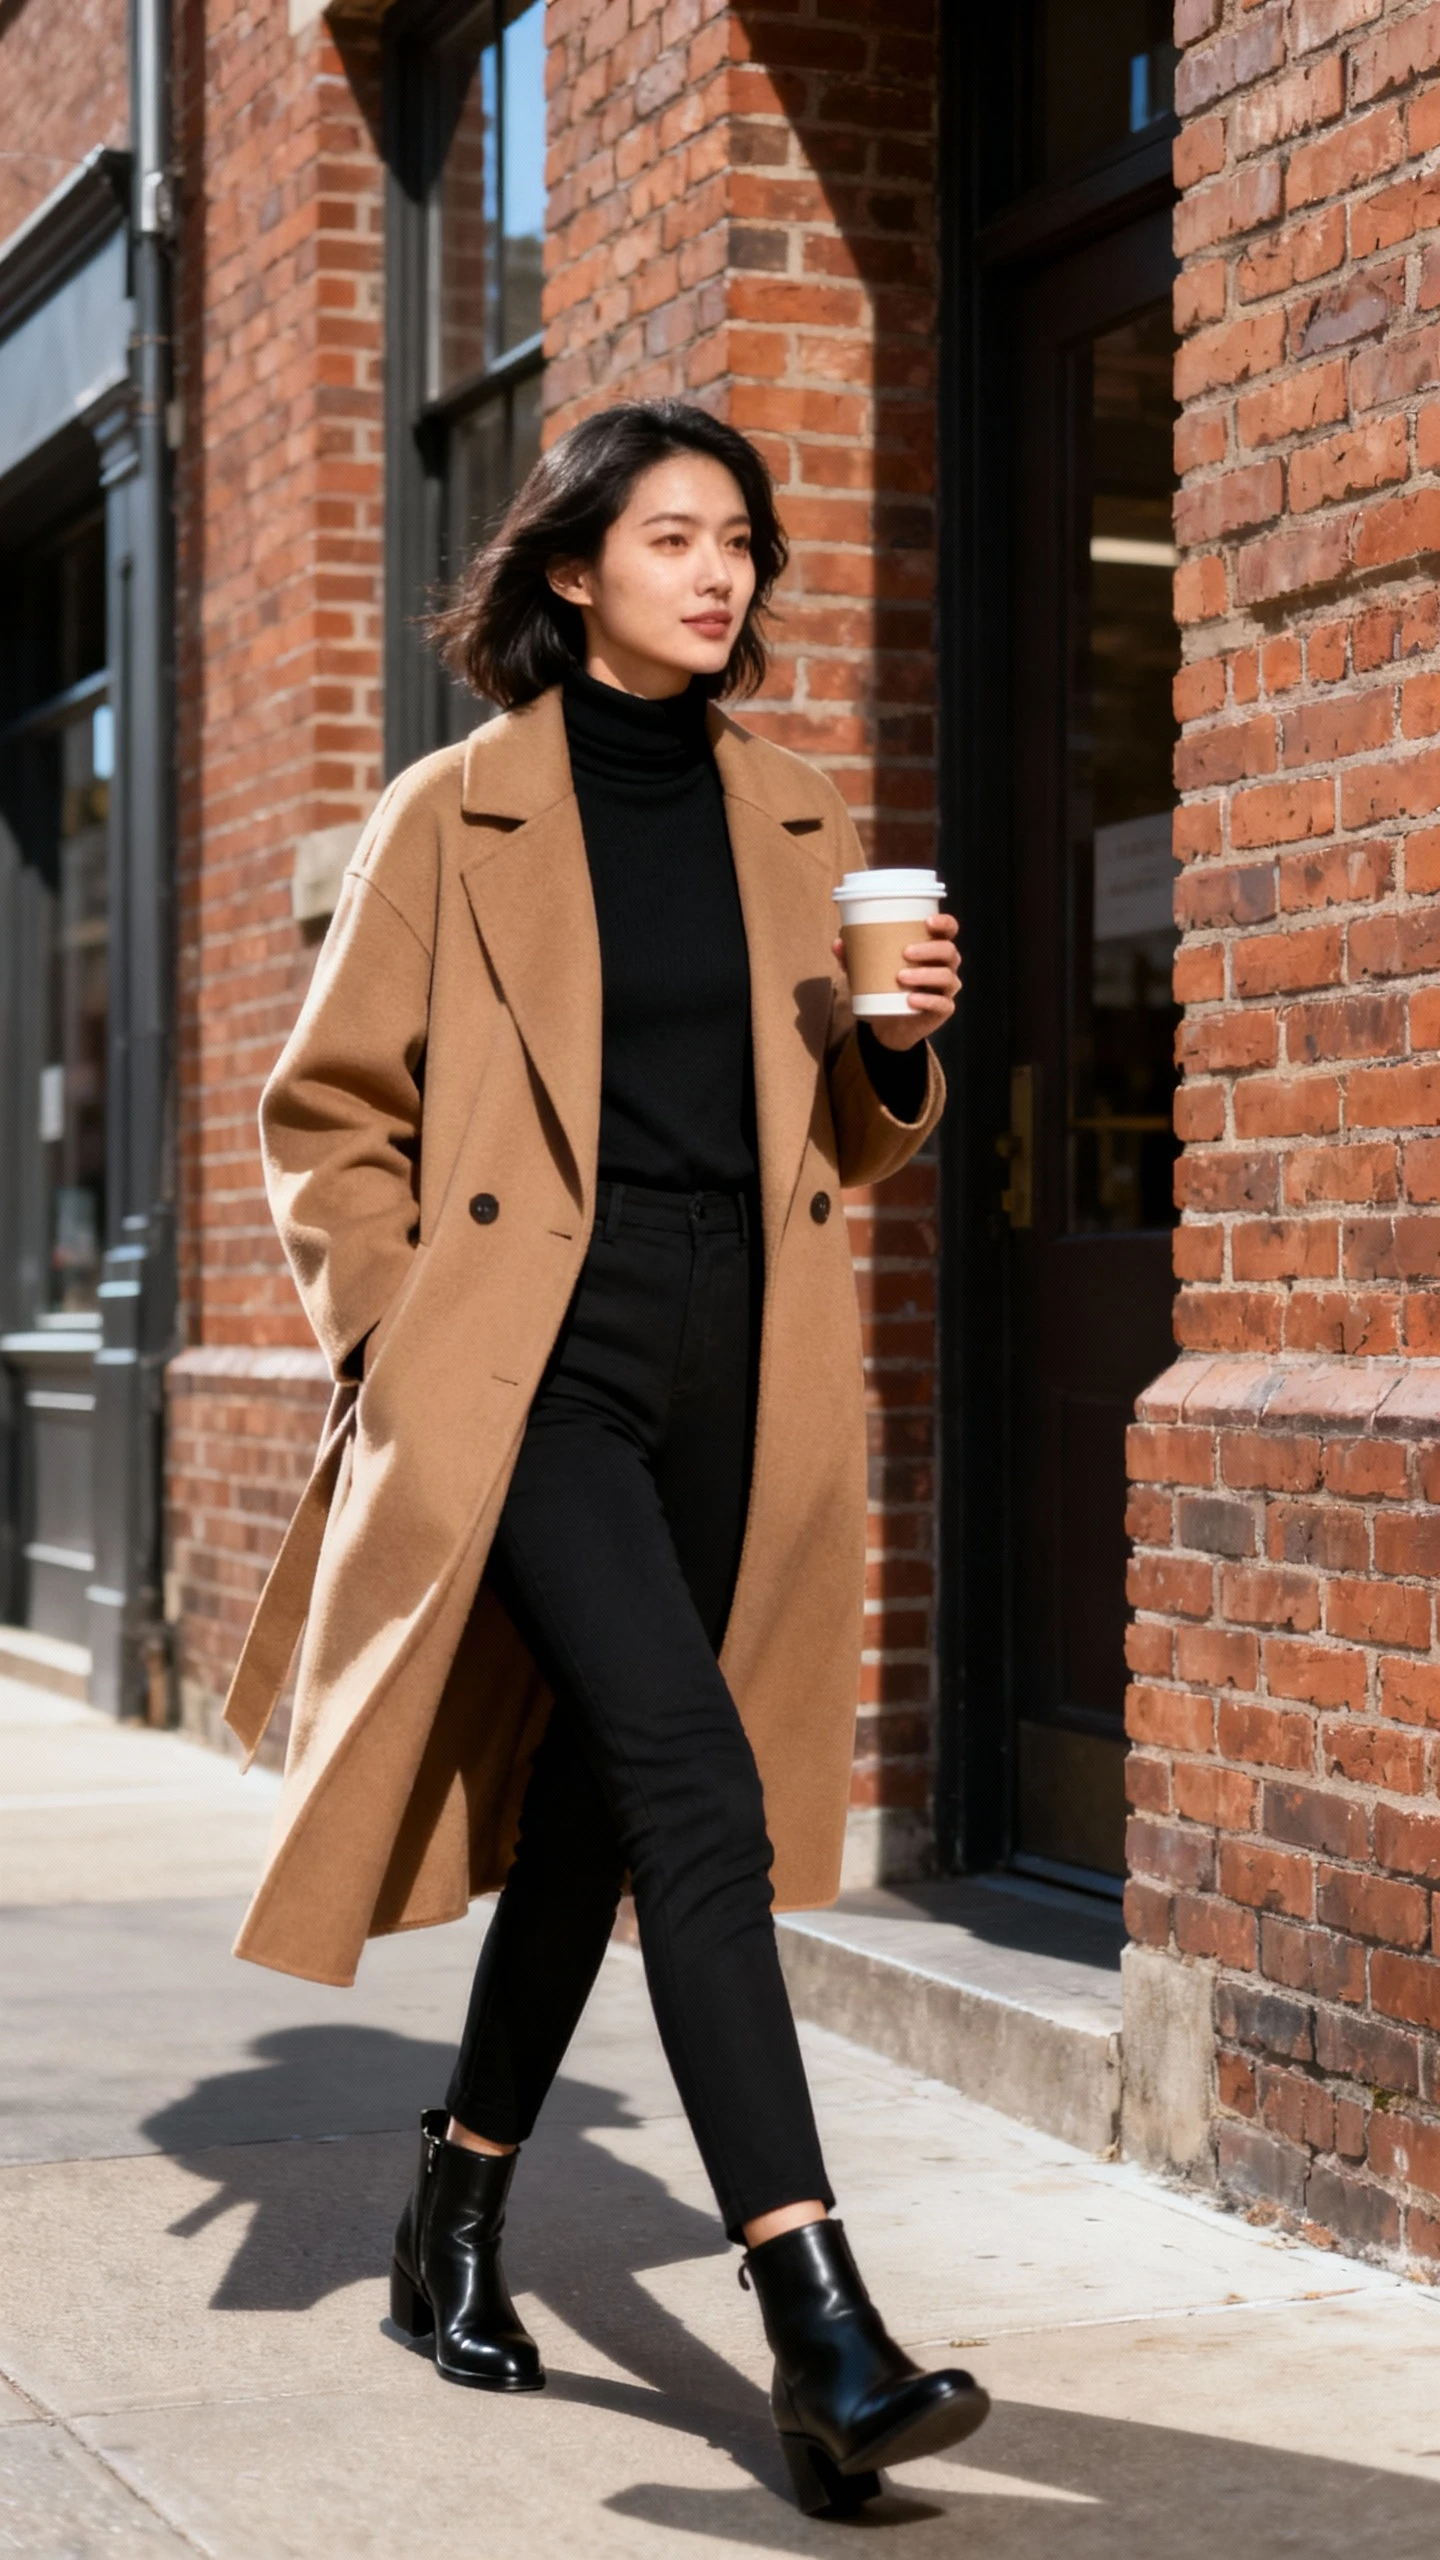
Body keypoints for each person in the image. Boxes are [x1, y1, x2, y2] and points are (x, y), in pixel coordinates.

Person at [223, 399, 987, 2518]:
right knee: (694, 1776)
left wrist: (901, 1056)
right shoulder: (451, 814)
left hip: (735, 1337)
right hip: (528, 1351)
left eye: (740, 537)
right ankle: (818, 2315)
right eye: (673, 535)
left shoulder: (800, 811)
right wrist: (403, 1337)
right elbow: (326, 1115)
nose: (720, 570)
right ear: (571, 569)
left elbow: (833, 1130)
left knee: (599, 1797)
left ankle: (450, 2203)